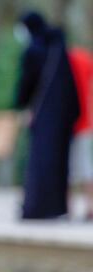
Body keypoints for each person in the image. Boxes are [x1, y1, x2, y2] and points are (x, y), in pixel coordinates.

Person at [13, 11, 80, 219]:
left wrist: (21, 106)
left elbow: (27, 83)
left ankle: (37, 208)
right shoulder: (58, 47)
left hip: (43, 115)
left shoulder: (34, 50)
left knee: (40, 161)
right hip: (63, 116)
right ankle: (59, 208)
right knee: (59, 162)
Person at [68, 47, 93, 220]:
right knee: (85, 167)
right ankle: (89, 207)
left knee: (67, 170)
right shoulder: (86, 58)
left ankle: (67, 209)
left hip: (69, 124)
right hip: (85, 123)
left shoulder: (64, 60)